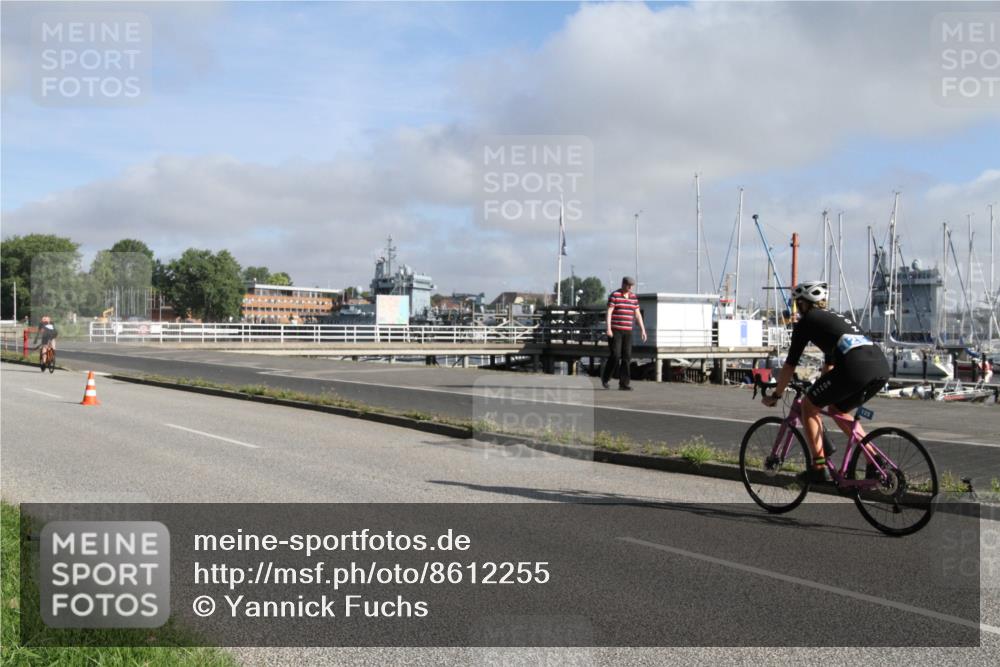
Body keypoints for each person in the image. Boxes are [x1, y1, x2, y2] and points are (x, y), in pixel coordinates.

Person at [762, 281, 889, 483]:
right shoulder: (835, 319)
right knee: (837, 409)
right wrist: (820, 389)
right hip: (880, 368)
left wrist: (776, 395)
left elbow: (789, 365)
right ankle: (875, 462)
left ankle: (819, 467)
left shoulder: (807, 322)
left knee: (808, 407)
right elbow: (829, 366)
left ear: (803, 304)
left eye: (797, 304)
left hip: (855, 368)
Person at [601, 277, 647, 390]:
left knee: (627, 357)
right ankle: (606, 378)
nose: (630, 288)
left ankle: (624, 383)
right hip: (615, 330)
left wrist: (643, 329)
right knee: (615, 355)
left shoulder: (633, 298)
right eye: (628, 285)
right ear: (623, 284)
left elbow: (637, 314)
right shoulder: (615, 295)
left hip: (627, 331)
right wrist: (608, 328)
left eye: (632, 286)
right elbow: (609, 312)